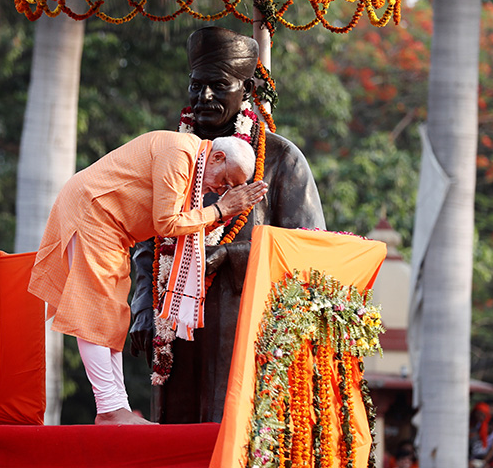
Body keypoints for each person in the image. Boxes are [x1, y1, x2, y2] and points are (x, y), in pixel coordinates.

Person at [129, 26, 326, 423]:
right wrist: (143, 306)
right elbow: (147, 240)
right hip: (176, 328)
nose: (204, 97)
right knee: (178, 442)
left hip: (243, 325)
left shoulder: (280, 158)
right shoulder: (172, 152)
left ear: (247, 90)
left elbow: (308, 250)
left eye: (218, 86)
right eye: (196, 85)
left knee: (231, 432)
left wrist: (229, 256)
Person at [28, 130, 268, 425]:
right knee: (94, 310)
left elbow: (177, 223)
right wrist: (220, 210)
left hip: (112, 228)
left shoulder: (194, 162)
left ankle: (117, 408)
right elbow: (167, 223)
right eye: (225, 182)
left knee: (114, 313)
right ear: (217, 158)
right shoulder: (181, 154)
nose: (221, 191)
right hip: (93, 212)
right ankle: (109, 409)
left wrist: (219, 210)